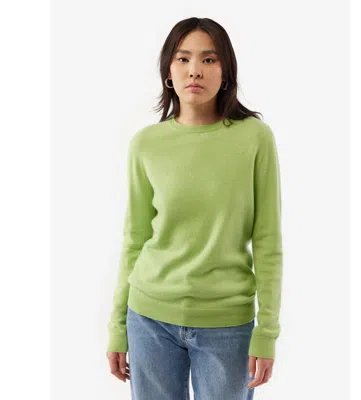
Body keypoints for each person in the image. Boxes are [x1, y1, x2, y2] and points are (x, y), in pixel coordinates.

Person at [106, 17, 283, 400]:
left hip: (227, 324)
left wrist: (267, 331)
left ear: (226, 71)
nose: (194, 70)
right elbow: (135, 239)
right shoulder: (146, 144)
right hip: (149, 318)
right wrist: (117, 327)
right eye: (183, 58)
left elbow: (267, 240)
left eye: (209, 59)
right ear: (168, 71)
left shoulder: (254, 138)